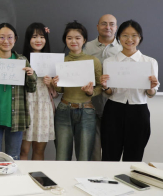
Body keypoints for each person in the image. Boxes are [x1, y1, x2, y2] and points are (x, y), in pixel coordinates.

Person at [100, 20, 159, 162]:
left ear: (140, 38)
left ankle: (128, 183)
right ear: (119, 37)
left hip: (139, 111)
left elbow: (151, 94)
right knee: (109, 155)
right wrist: (105, 86)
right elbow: (109, 93)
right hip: (114, 110)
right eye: (125, 35)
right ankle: (106, 184)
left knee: (134, 156)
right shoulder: (109, 62)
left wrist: (151, 87)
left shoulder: (149, 62)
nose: (129, 39)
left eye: (134, 35)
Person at [0, 23, 36, 160]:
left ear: (15, 39)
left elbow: (31, 89)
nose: (6, 41)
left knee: (13, 157)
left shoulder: (22, 61)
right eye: (2, 37)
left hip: (16, 116)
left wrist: (31, 75)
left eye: (10, 37)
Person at [52, 21, 102, 161]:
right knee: (62, 157)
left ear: (84, 40)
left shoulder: (93, 61)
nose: (73, 41)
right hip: (63, 110)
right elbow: (61, 89)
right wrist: (55, 84)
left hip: (86, 111)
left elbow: (100, 87)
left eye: (77, 38)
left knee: (84, 158)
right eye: (69, 38)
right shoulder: (61, 61)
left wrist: (91, 92)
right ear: (65, 40)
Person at [83, 14, 122, 161]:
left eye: (112, 24)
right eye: (104, 24)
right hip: (91, 102)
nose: (108, 27)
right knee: (93, 149)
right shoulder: (87, 47)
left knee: (112, 146)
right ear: (97, 27)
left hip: (115, 103)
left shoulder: (123, 49)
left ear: (116, 28)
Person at [20, 23, 58, 160]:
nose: (38, 40)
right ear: (28, 39)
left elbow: (57, 92)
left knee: (39, 150)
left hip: (43, 106)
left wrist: (52, 84)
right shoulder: (21, 60)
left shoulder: (53, 61)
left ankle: (37, 179)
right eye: (34, 36)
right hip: (26, 105)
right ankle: (21, 180)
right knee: (23, 150)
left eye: (42, 36)